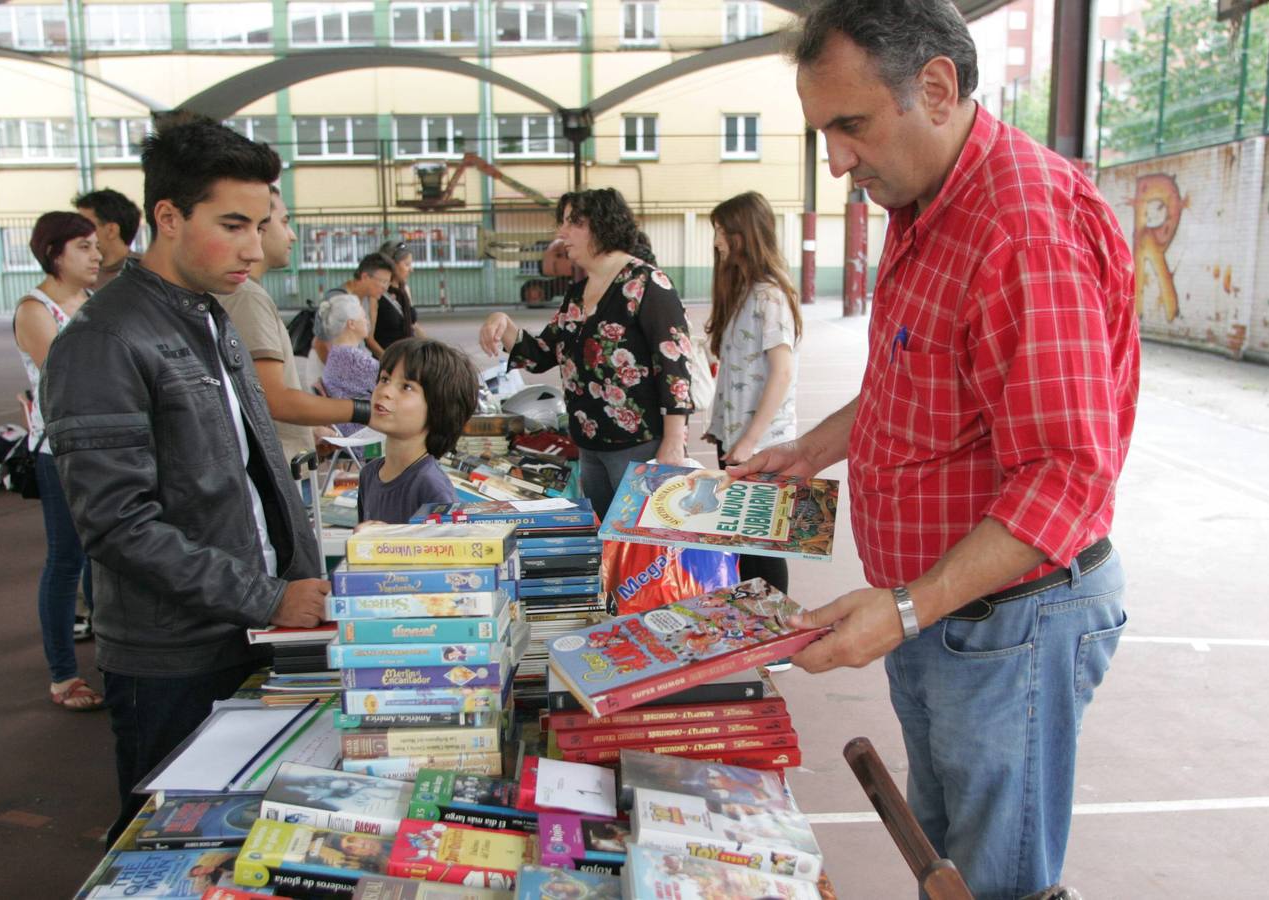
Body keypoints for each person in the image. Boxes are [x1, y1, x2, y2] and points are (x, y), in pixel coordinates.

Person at [732, 2, 1140, 895]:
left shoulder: (1021, 231)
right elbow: (908, 385)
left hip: (1010, 623)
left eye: (851, 125)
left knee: (997, 877)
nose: (837, 160)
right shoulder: (925, 205)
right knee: (947, 856)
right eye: (825, 132)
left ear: (938, 88)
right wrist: (808, 451)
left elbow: (1065, 479)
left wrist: (907, 611)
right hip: (943, 614)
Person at [41, 116, 331, 845]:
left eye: (261, 224)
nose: (254, 246)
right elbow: (115, 524)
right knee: (174, 844)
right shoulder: (104, 342)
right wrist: (271, 596)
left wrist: (299, 587)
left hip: (253, 631)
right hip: (174, 660)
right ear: (167, 218)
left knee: (249, 838)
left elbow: (250, 469)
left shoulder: (209, 315)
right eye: (233, 224)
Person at [479, 188, 695, 517]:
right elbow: (540, 355)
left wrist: (673, 442)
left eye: (573, 222)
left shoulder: (647, 284)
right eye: (562, 222)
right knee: (607, 544)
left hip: (639, 445)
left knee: (643, 547)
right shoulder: (578, 293)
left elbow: (675, 366)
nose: (562, 233)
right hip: (590, 446)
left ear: (603, 225)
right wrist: (504, 324)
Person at [12, 210, 103, 711]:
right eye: (84, 247)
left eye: (96, 246)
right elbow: (72, 376)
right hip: (59, 452)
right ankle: (63, 674)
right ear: (54, 253)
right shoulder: (36, 309)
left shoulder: (93, 302)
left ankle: (108, 655)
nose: (96, 256)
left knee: (102, 556)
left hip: (102, 450)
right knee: (65, 559)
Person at [219, 185, 368, 464]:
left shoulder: (248, 294)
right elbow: (275, 399)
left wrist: (309, 428)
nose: (293, 235)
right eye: (285, 222)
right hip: (279, 465)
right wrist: (365, 410)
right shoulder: (247, 298)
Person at [703, 190, 802, 600]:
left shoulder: (768, 295)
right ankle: (753, 628)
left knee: (762, 545)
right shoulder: (744, 291)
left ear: (744, 234)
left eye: (722, 231)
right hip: (738, 440)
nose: (717, 241)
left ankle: (775, 638)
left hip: (762, 444)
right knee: (743, 542)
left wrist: (747, 440)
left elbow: (781, 372)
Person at [356, 337, 479, 525]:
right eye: (384, 379)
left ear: (438, 408)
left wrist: (388, 539)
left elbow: (446, 552)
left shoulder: (431, 487)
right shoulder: (369, 474)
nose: (385, 391)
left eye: (406, 386)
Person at [312, 254, 396, 366]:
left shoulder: (367, 298)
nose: (386, 288)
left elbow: (368, 339)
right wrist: (340, 376)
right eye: (383, 282)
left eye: (388, 282)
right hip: (333, 372)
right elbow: (320, 344)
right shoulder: (337, 299)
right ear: (365, 277)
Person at [315, 292, 379, 437]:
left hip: (345, 429)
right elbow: (392, 382)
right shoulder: (354, 360)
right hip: (363, 434)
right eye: (363, 316)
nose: (367, 321)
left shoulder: (336, 353)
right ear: (351, 324)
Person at [73, 188, 143, 290]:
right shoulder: (76, 278)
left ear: (111, 230)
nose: (75, 233)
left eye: (84, 225)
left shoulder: (149, 274)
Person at [369, 239, 426, 357]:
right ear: (392, 264)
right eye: (407, 264)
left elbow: (413, 325)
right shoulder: (376, 293)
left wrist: (436, 347)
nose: (411, 269)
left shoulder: (405, 289)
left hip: (407, 358)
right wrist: (387, 360)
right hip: (387, 362)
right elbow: (369, 338)